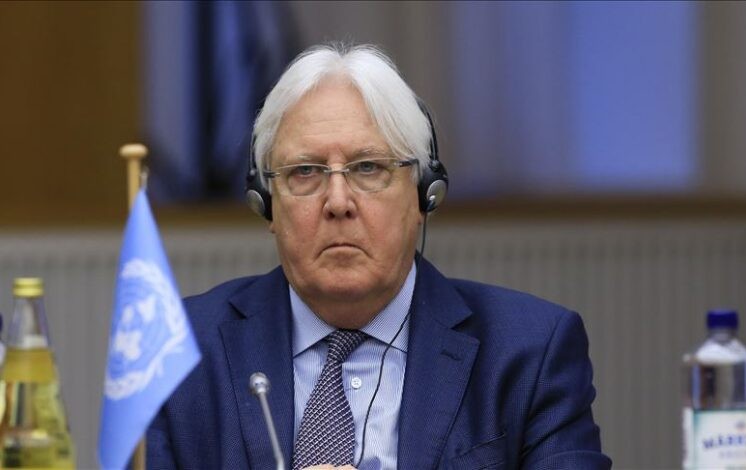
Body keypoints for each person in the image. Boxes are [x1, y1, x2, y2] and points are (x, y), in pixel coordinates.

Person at [147, 43, 611, 469]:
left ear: (423, 195)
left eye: (368, 167)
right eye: (305, 171)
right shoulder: (178, 350)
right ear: (267, 203)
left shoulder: (527, 352)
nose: (338, 201)